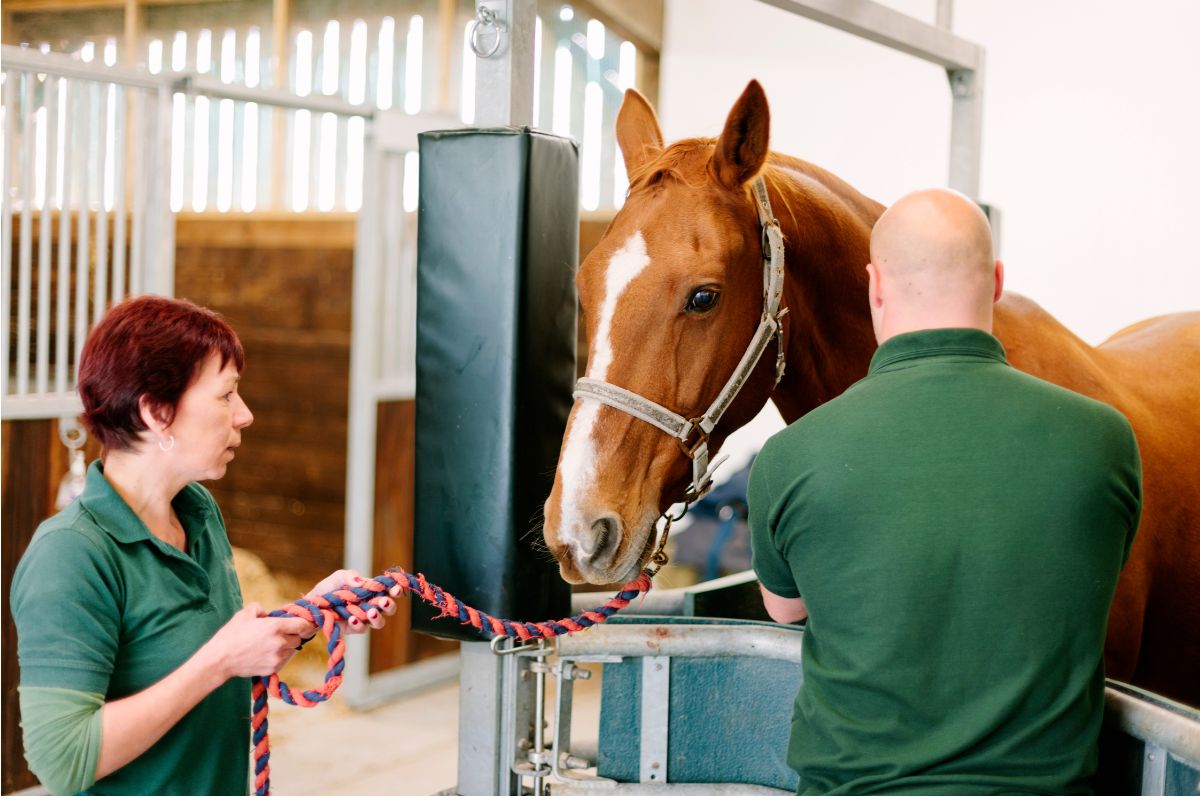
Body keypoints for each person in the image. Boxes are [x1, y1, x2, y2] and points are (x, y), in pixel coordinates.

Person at [748, 188, 1141, 794]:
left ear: (874, 286)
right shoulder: (1104, 440)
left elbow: (786, 609)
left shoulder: (791, 455)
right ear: (997, 283)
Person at [10, 295, 403, 795]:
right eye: (226, 395)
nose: (245, 415)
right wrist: (220, 662)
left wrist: (307, 617)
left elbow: (212, 651)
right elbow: (62, 761)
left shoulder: (196, 511)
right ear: (157, 412)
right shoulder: (70, 555)